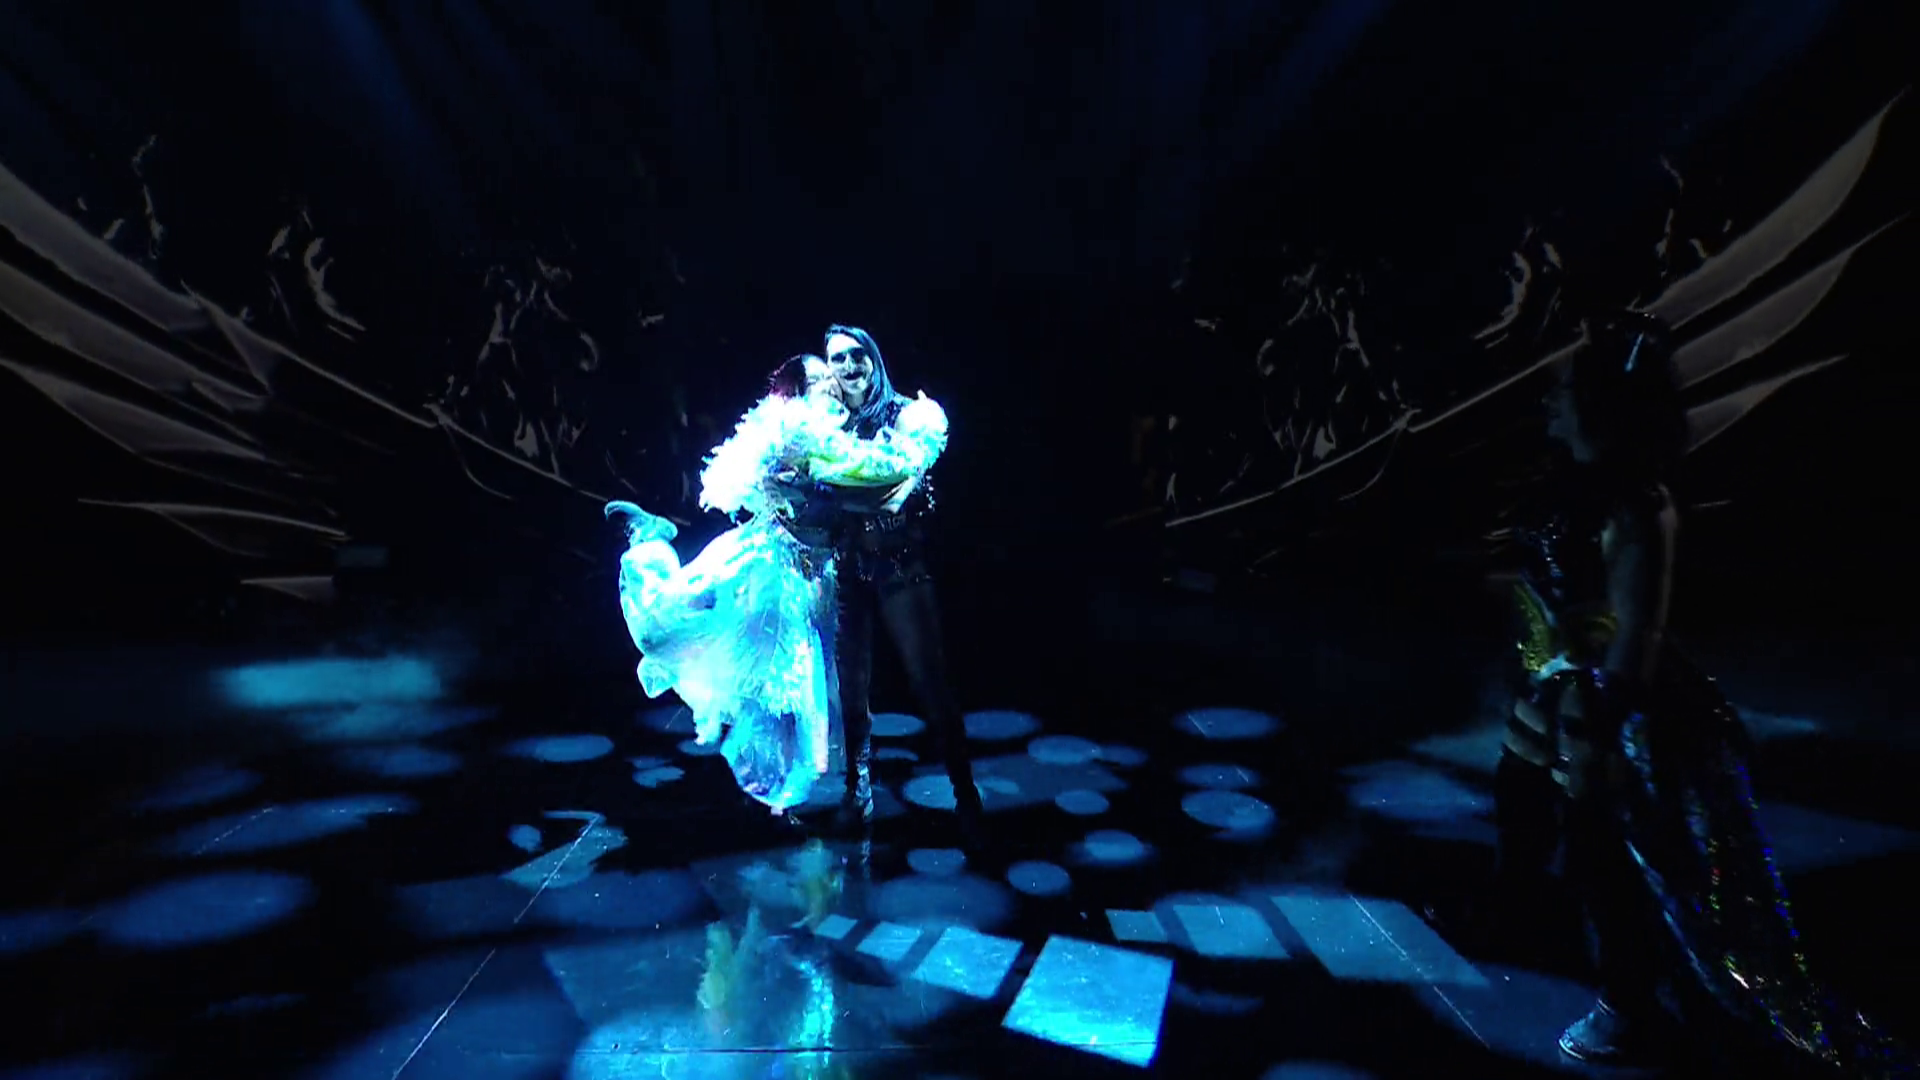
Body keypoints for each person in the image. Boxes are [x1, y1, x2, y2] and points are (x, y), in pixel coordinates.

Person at [1518, 311, 1911, 1075]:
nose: (1548, 402)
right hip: (1584, 706)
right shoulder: (1575, 494)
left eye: (1562, 391)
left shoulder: (1637, 506)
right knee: (1602, 866)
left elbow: (1635, 634)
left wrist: (1597, 729)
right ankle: (1633, 1005)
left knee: (1666, 882)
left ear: (1597, 406)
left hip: (1632, 723)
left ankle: (1649, 1013)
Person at [608, 354, 944, 814]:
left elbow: (870, 491)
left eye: (831, 377)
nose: (833, 383)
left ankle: (795, 796)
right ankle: (648, 539)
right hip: (764, 567)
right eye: (821, 378)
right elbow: (873, 471)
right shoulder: (803, 433)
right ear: (798, 392)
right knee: (664, 630)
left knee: (799, 704)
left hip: (810, 580)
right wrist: (925, 435)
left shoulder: (828, 435)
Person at [801, 324, 983, 844]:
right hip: (847, 571)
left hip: (900, 566)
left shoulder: (907, 416)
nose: (849, 366)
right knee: (851, 689)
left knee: (929, 681)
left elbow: (899, 492)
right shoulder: (823, 425)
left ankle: (966, 796)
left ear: (874, 358)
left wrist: (837, 492)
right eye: (838, 359)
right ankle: (857, 793)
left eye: (857, 354)